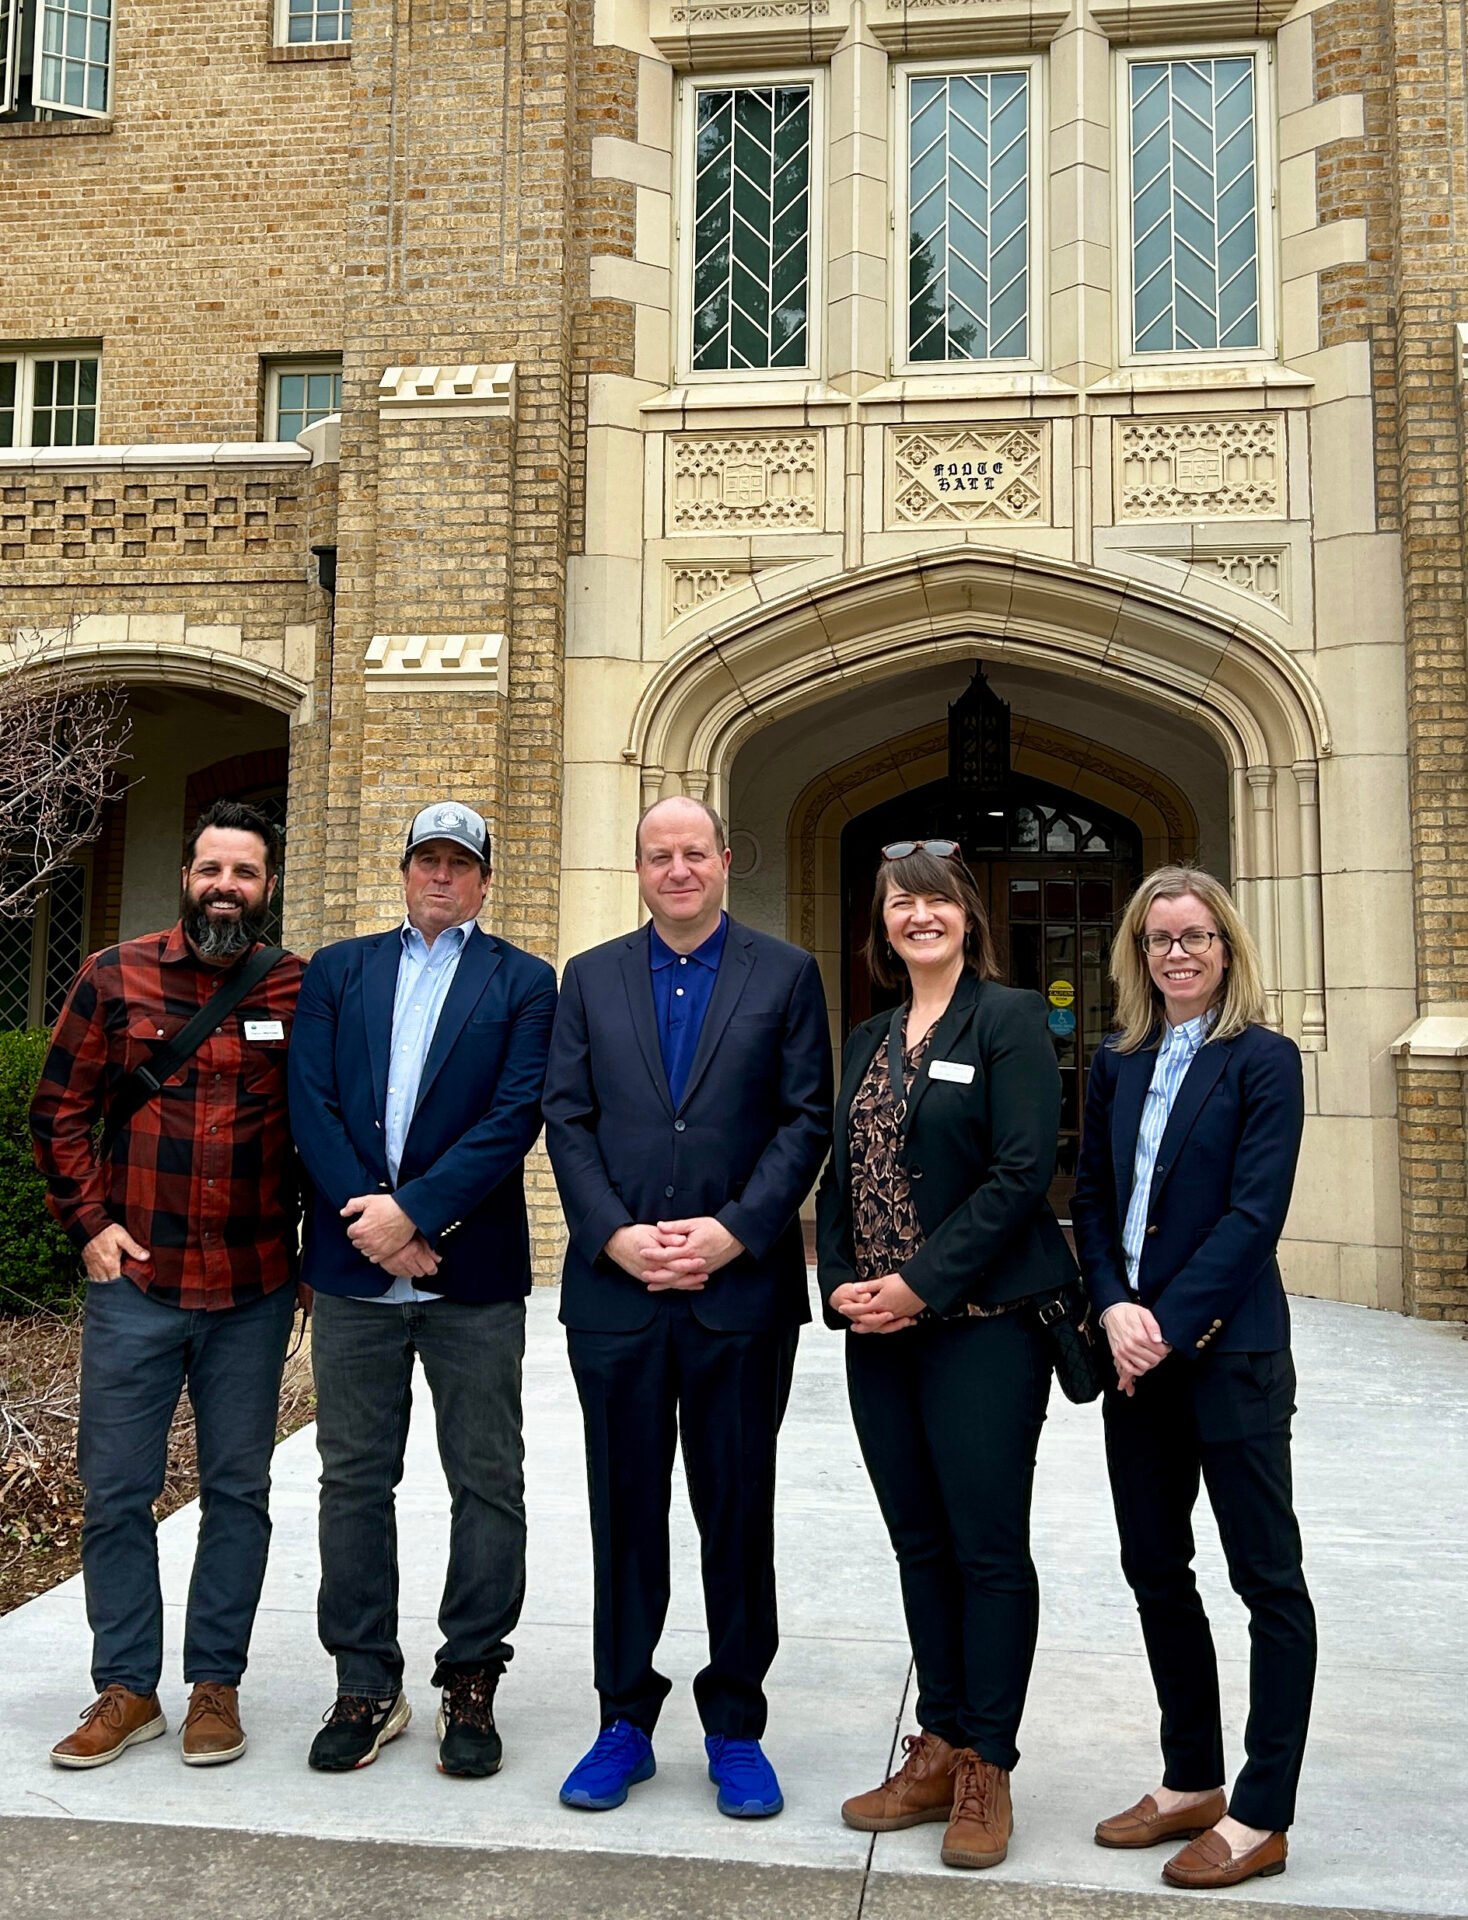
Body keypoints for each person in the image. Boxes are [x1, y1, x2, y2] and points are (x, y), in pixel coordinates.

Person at [543, 795, 831, 1820]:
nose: (677, 869)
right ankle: (623, 1720)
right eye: (658, 855)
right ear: (639, 868)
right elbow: (565, 1119)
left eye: (693, 853)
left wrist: (735, 1231)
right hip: (616, 1298)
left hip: (738, 1299)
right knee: (625, 1515)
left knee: (735, 1515)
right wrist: (614, 1235)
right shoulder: (590, 978)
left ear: (722, 861)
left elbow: (804, 1121)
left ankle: (735, 1727)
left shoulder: (786, 976)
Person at [816, 837, 1075, 1871]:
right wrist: (839, 1287)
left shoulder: (1008, 1021)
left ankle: (987, 1764)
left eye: (934, 901)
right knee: (917, 1545)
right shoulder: (870, 1034)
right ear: (881, 925)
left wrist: (921, 1284)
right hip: (878, 1337)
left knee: (984, 1549)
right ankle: (939, 1738)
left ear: (967, 915)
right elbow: (845, 1170)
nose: (916, 916)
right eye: (897, 904)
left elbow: (1020, 1175)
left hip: (981, 1331)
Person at [31, 799, 303, 1771]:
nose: (224, 886)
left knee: (238, 1491)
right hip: (137, 1285)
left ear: (267, 887)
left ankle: (213, 1688)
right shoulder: (115, 976)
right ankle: (126, 1686)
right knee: (116, 1492)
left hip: (255, 1285)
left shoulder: (294, 989)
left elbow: (322, 1127)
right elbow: (57, 1110)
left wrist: (311, 1258)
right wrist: (90, 1225)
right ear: (186, 878)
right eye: (209, 870)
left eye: (243, 872)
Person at [287, 802, 556, 1778]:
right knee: (354, 1479)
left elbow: (513, 1114)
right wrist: (374, 1220)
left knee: (488, 1480)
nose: (441, 877)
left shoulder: (525, 982)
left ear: (484, 880)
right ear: (404, 871)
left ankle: (471, 1677)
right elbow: (308, 1104)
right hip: (358, 1272)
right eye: (426, 860)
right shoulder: (338, 971)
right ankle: (365, 1680)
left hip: (468, 1272)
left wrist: (419, 1216)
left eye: (460, 864)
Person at [1070, 865, 1315, 1891]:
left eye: (1195, 937)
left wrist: (1162, 1324)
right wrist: (1113, 1306)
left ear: (1226, 949)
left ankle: (1260, 1812)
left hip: (1229, 1355)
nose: (1177, 953)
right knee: (1154, 1569)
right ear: (1138, 953)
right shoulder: (1117, 1062)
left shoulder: (1263, 1061)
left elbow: (1253, 1218)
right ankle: (1190, 1777)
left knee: (1266, 1583)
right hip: (1137, 1360)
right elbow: (1087, 1198)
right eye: (1159, 938)